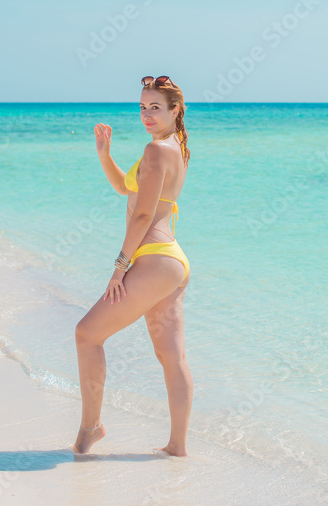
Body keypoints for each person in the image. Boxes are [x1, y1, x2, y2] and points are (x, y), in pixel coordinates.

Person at [73, 75, 193, 456]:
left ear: (175, 110)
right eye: (142, 107)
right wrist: (105, 155)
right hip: (171, 262)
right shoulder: (172, 149)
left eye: (155, 107)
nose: (146, 114)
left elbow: (142, 217)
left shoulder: (157, 151)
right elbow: (128, 190)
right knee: (172, 358)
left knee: (86, 334)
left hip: (153, 260)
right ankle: (177, 447)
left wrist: (119, 268)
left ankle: (91, 426)